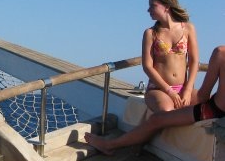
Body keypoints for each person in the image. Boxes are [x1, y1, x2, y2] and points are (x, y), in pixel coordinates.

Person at [85, 45, 225, 155]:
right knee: (164, 114)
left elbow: (203, 95)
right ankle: (136, 141)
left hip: (212, 111)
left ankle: (110, 145)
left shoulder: (220, 53)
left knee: (157, 119)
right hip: (216, 110)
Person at [142, 0, 199, 112]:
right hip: (158, 89)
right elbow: (147, 66)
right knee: (167, 111)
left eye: (153, 5)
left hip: (183, 88)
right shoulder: (150, 33)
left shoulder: (188, 28)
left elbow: (194, 61)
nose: (148, 10)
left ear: (167, 7)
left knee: (208, 105)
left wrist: (188, 90)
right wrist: (169, 91)